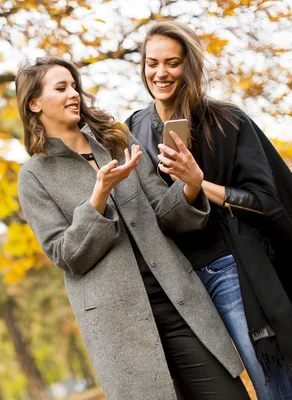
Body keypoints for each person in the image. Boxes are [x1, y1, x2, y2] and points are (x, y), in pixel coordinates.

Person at [16, 57, 249, 399]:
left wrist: (190, 184)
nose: (73, 94)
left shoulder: (116, 140)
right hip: (117, 323)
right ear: (34, 103)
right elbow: (65, 254)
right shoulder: (34, 175)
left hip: (178, 302)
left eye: (74, 86)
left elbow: (165, 213)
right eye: (61, 87)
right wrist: (98, 197)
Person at [126, 21, 292, 400]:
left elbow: (264, 201)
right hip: (177, 284)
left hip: (230, 271)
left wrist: (197, 182)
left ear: (189, 67)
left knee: (269, 382)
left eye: (172, 63)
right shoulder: (134, 128)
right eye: (152, 63)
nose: (160, 73)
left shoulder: (226, 120)